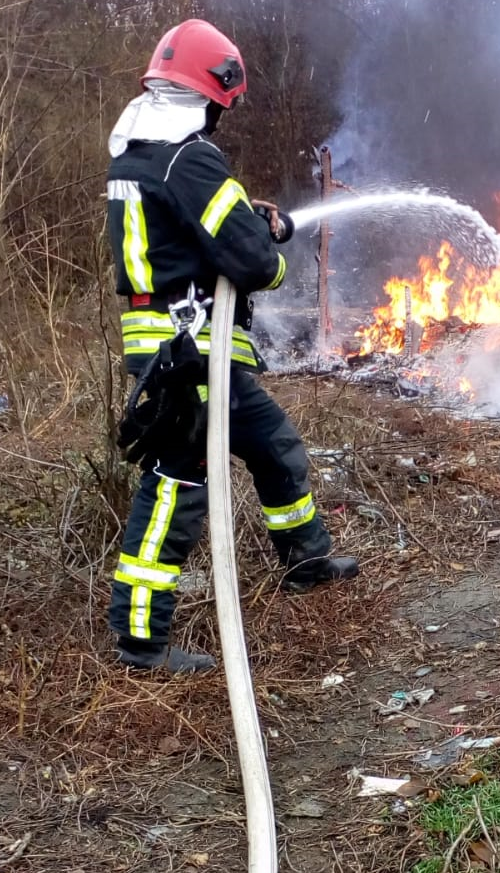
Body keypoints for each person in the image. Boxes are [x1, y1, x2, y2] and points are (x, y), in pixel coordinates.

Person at [106, 18, 358, 674]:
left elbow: (188, 229)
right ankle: (141, 641)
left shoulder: (140, 152)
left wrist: (249, 214)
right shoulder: (190, 157)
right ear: (210, 96)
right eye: (224, 104)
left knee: (273, 444)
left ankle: (304, 561)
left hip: (176, 350)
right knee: (175, 484)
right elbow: (252, 264)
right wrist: (266, 247)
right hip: (189, 356)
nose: (222, 116)